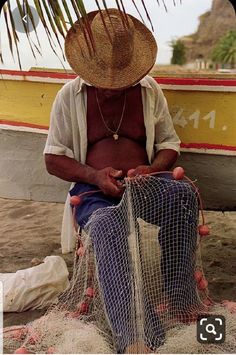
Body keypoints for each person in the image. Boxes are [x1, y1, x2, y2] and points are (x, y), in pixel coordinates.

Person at [44, 8, 199, 353]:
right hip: (93, 192)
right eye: (104, 79)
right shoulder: (69, 97)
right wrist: (94, 176)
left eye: (122, 79)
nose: (114, 87)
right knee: (106, 225)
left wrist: (151, 168)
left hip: (144, 186)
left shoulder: (148, 91)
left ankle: (179, 296)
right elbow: (53, 159)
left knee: (182, 195)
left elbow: (169, 144)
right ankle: (135, 337)